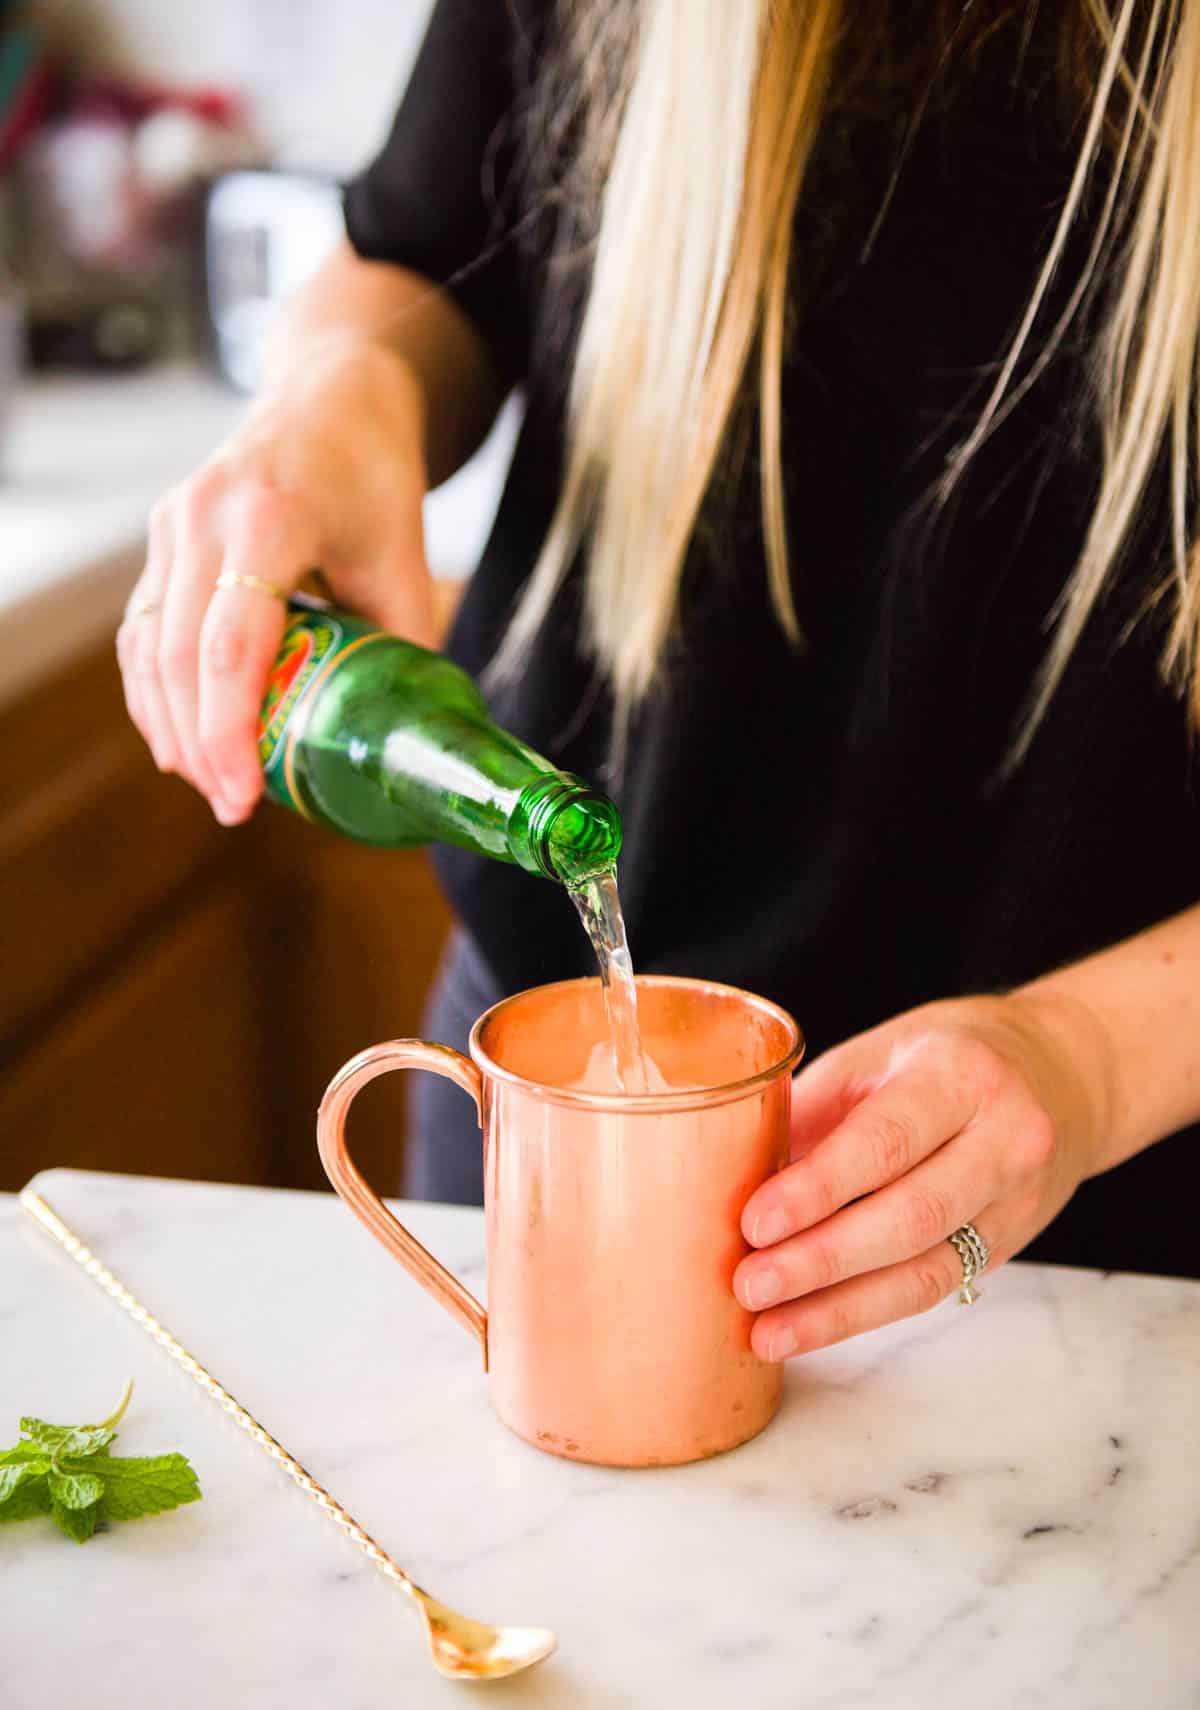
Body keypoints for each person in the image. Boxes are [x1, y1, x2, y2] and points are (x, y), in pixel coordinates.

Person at [118, 0, 1200, 1360]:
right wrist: (337, 404)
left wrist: (1094, 1059)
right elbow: (431, 258)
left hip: (1112, 1184)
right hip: (529, 1081)